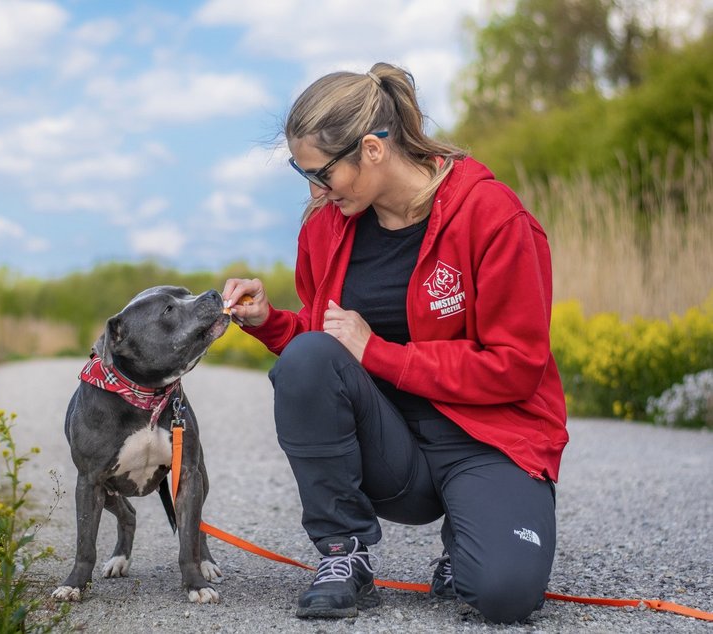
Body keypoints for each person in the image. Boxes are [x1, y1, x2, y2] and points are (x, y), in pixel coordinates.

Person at [222, 62, 568, 624]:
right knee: (307, 360)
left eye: (322, 174)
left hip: (487, 442)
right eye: (302, 173)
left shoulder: (492, 216)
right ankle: (343, 554)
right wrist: (268, 321)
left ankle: (472, 538)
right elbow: (326, 348)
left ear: (373, 149)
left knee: (503, 596)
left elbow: (516, 366)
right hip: (393, 451)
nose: (314, 191)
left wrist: (378, 352)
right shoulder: (325, 226)